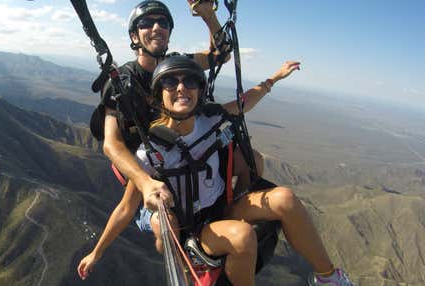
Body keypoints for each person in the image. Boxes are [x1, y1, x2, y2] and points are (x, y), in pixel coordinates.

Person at [79, 56, 353, 286]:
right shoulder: (151, 152)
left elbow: (245, 102)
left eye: (190, 81)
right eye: (170, 82)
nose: (181, 87)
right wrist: (97, 252)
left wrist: (274, 79)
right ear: (160, 94)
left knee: (285, 199)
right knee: (242, 237)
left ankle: (328, 278)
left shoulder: (210, 120)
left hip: (222, 208)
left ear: (200, 90)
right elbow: (126, 209)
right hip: (191, 232)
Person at [97, 0, 273, 213]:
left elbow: (221, 55)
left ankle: (235, 213)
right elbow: (111, 144)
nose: (156, 27)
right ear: (134, 36)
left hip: (194, 149)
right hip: (154, 169)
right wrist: (143, 181)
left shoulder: (178, 64)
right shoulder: (121, 83)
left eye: (163, 22)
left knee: (251, 160)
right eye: (146, 23)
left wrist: (208, 15)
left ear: (169, 33)